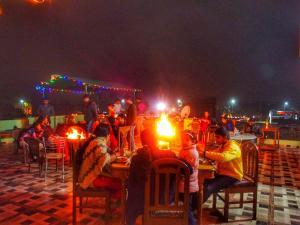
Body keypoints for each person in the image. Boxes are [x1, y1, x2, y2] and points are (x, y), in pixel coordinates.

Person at [125, 128, 176, 225]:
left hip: (141, 202)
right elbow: (188, 170)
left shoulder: (137, 158)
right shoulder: (170, 155)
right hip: (164, 199)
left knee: (131, 193)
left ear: (141, 141)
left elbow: (131, 182)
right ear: (157, 140)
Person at [198, 127, 243, 202]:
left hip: (233, 176)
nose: (216, 139)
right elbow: (215, 153)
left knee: (209, 187)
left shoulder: (233, 147)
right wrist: (202, 153)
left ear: (225, 137)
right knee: (202, 180)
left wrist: (204, 153)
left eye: (218, 137)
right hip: (223, 174)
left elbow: (223, 157)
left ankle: (193, 209)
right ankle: (193, 204)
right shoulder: (223, 146)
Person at [77, 123, 121, 197]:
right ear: (107, 135)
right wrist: (116, 155)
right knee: (120, 184)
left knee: (117, 181)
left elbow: (103, 155)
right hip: (90, 179)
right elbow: (104, 159)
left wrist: (111, 150)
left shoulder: (96, 141)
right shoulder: (99, 143)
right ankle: (115, 204)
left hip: (88, 177)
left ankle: (113, 202)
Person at [179, 131, 199, 225]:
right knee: (186, 205)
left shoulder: (191, 153)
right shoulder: (186, 150)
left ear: (193, 141)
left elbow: (187, 170)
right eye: (183, 139)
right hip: (185, 184)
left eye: (187, 140)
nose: (184, 141)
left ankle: (192, 222)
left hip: (188, 184)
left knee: (187, 207)